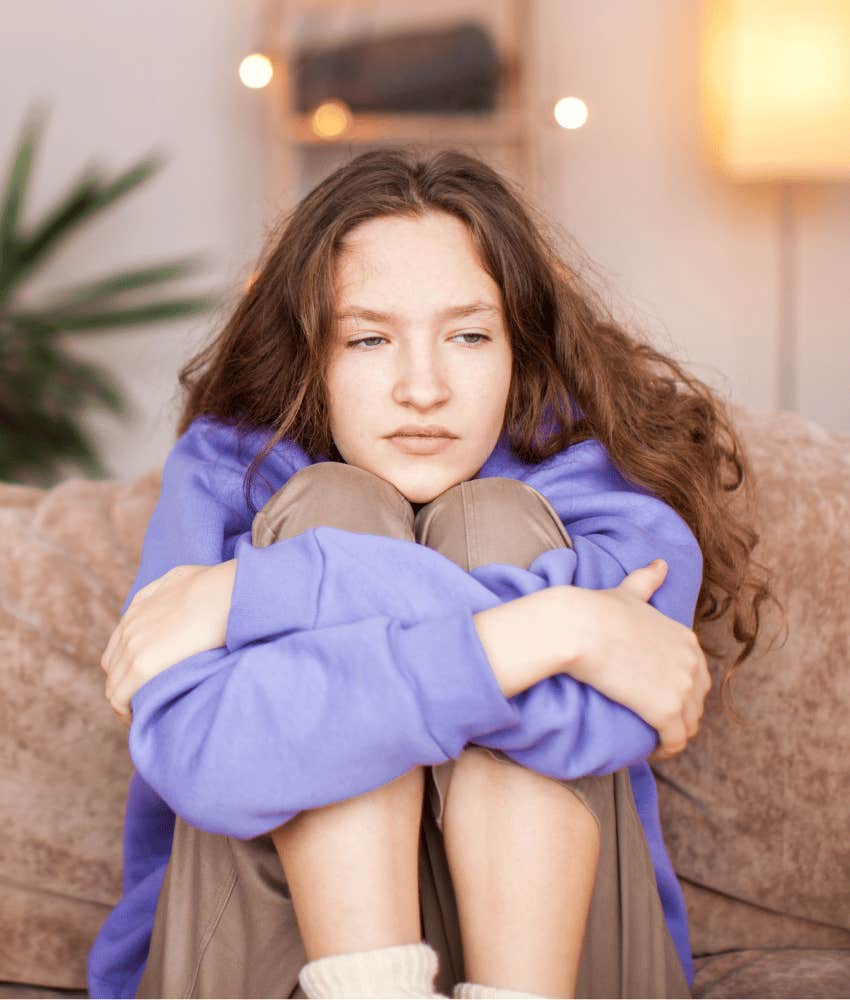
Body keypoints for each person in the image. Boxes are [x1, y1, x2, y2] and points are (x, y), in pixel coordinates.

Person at [89, 145, 780, 999]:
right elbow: (204, 759)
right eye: (370, 338)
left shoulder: (608, 489)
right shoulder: (229, 470)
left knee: (489, 525)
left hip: (559, 968)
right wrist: (560, 625)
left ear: (520, 348)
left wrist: (262, 594)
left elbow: (591, 729)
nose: (424, 387)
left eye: (468, 335)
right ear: (312, 354)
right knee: (330, 503)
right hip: (266, 957)